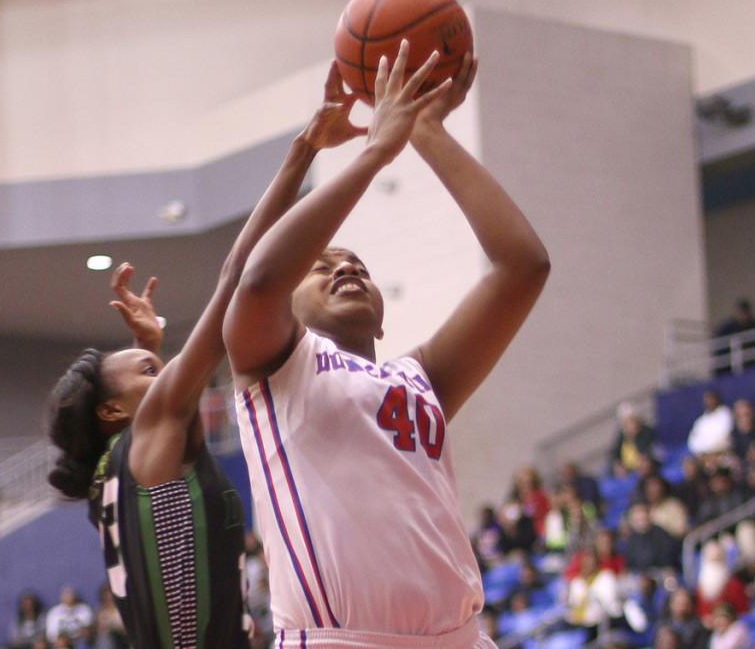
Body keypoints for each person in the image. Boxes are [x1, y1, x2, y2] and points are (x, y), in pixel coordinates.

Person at [223, 43, 549, 648]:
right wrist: (371, 152)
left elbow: (522, 266)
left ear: (380, 320)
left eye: (357, 264)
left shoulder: (422, 378)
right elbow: (257, 278)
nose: (345, 267)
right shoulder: (277, 369)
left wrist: (427, 134)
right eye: (322, 267)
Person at [45, 62, 366, 649]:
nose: (165, 374)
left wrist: (148, 349)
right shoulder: (147, 448)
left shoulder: (111, 479)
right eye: (150, 371)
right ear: (112, 413)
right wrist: (305, 150)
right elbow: (238, 275)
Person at [695, 541, 748, 628]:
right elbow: (701, 611)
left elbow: (743, 611)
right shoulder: (700, 587)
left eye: (718, 559)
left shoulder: (734, 584)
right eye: (712, 560)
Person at [622, 502, 680, 573]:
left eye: (643, 517)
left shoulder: (661, 534)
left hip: (660, 575)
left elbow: (668, 563)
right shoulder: (632, 539)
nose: (641, 520)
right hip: (639, 578)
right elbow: (630, 566)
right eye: (638, 519)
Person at [609, 403, 657, 476]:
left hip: (645, 466)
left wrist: (634, 436)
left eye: (631, 421)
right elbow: (614, 452)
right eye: (626, 423)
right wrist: (618, 464)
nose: (629, 425)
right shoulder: (622, 435)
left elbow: (648, 451)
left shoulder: (646, 432)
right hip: (627, 469)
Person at [688, 390, 733, 457]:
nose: (709, 402)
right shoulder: (701, 421)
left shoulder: (726, 413)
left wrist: (712, 451)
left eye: (711, 399)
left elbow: (724, 435)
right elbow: (693, 442)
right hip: (704, 455)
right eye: (706, 400)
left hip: (723, 452)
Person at [642, 475, 689, 539]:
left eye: (655, 488)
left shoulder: (674, 506)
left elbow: (681, 531)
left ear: (663, 489)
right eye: (649, 489)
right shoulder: (644, 508)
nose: (652, 491)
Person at [94, 584, 128, 649]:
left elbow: (126, 629)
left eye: (110, 595)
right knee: (104, 637)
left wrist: (113, 627)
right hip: (108, 641)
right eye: (106, 596)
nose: (109, 598)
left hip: (123, 639)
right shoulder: (101, 612)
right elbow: (99, 629)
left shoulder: (121, 610)